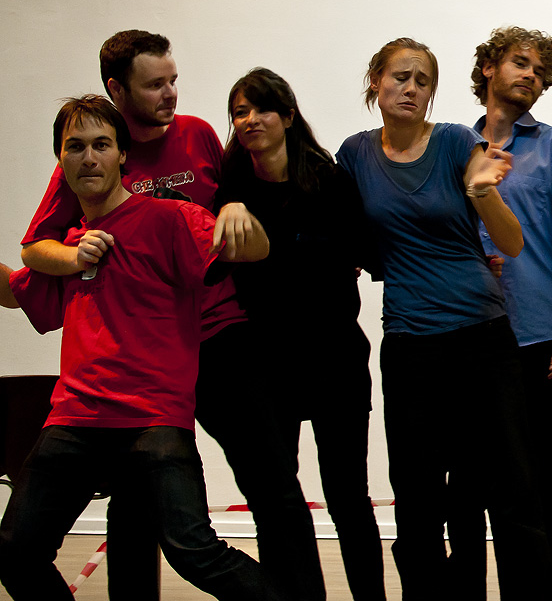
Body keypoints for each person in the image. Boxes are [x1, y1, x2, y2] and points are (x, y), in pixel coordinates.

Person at [18, 30, 323, 600]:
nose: (171, 94)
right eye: (154, 84)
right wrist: (77, 252)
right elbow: (35, 250)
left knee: (273, 486)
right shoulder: (88, 155)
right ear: (118, 89)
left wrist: (236, 211)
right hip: (143, 362)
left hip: (223, 337)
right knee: (135, 512)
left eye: (173, 80)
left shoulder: (198, 137)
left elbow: (237, 213)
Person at [336, 37, 552, 600]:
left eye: (424, 81)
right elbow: (350, 239)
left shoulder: (459, 140)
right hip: (410, 343)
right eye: (400, 77)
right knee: (416, 495)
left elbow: (510, 240)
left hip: (484, 336)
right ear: (375, 83)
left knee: (512, 486)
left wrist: (484, 192)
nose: (412, 89)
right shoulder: (355, 155)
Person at [441, 26, 552, 597]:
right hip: (467, 337)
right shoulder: (453, 146)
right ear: (488, 67)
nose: (531, 75)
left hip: (540, 342)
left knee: (542, 490)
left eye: (540, 70)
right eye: (519, 62)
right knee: (465, 489)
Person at [216, 68, 385, 601]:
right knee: (274, 497)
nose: (249, 120)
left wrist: (286, 252)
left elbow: (355, 255)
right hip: (266, 362)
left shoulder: (327, 179)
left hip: (334, 356)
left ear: (288, 116)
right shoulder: (231, 185)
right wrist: (229, 204)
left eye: (260, 109)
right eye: (240, 112)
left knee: (348, 498)